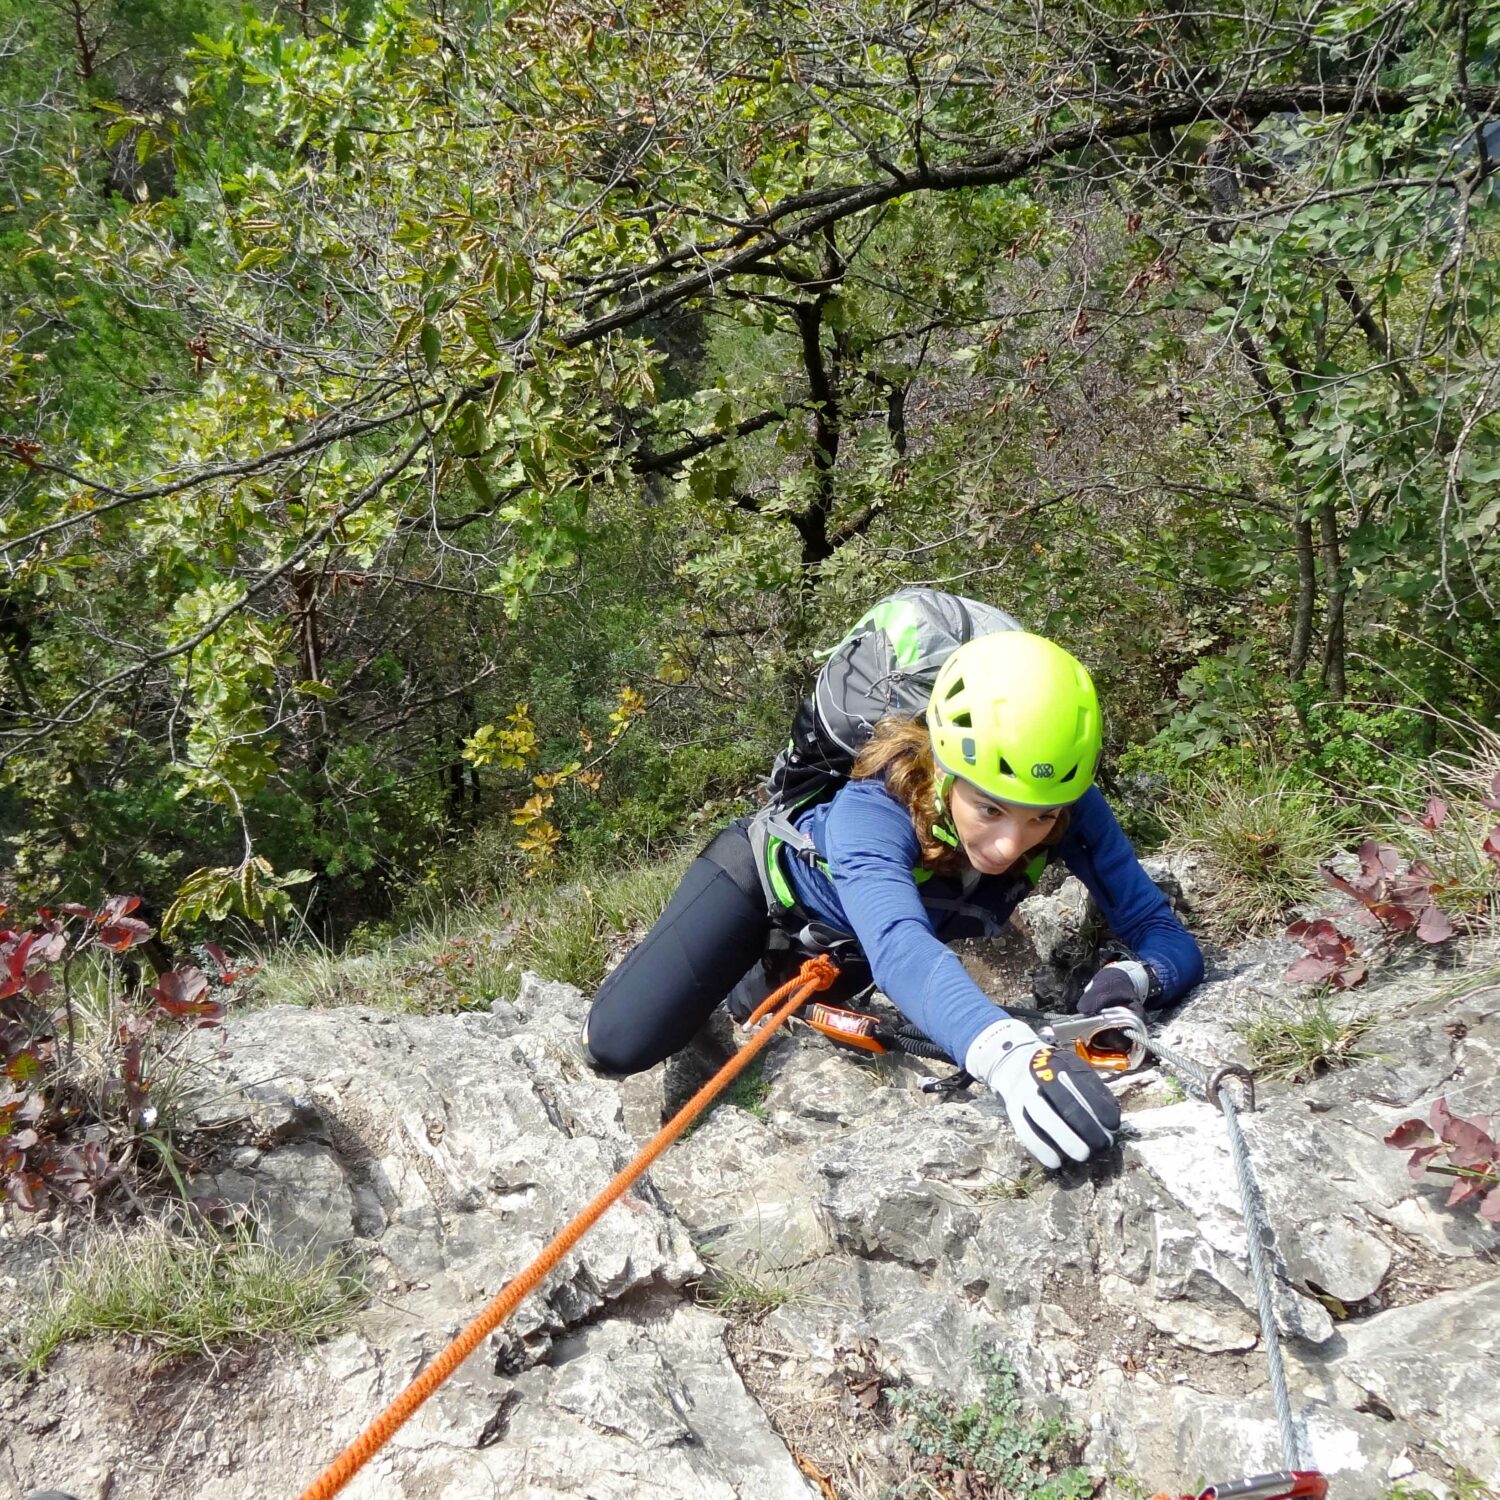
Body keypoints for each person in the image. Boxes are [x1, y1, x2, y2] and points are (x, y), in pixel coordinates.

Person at [582, 631, 1203, 1170]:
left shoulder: (1069, 803)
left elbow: (1158, 928)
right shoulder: (872, 810)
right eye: (989, 807)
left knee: (776, 1005)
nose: (1012, 843)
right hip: (760, 892)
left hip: (849, 947)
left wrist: (1135, 978)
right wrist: (1010, 1058)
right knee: (617, 1043)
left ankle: (764, 988)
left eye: (1040, 818)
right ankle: (720, 973)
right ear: (944, 769)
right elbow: (902, 947)